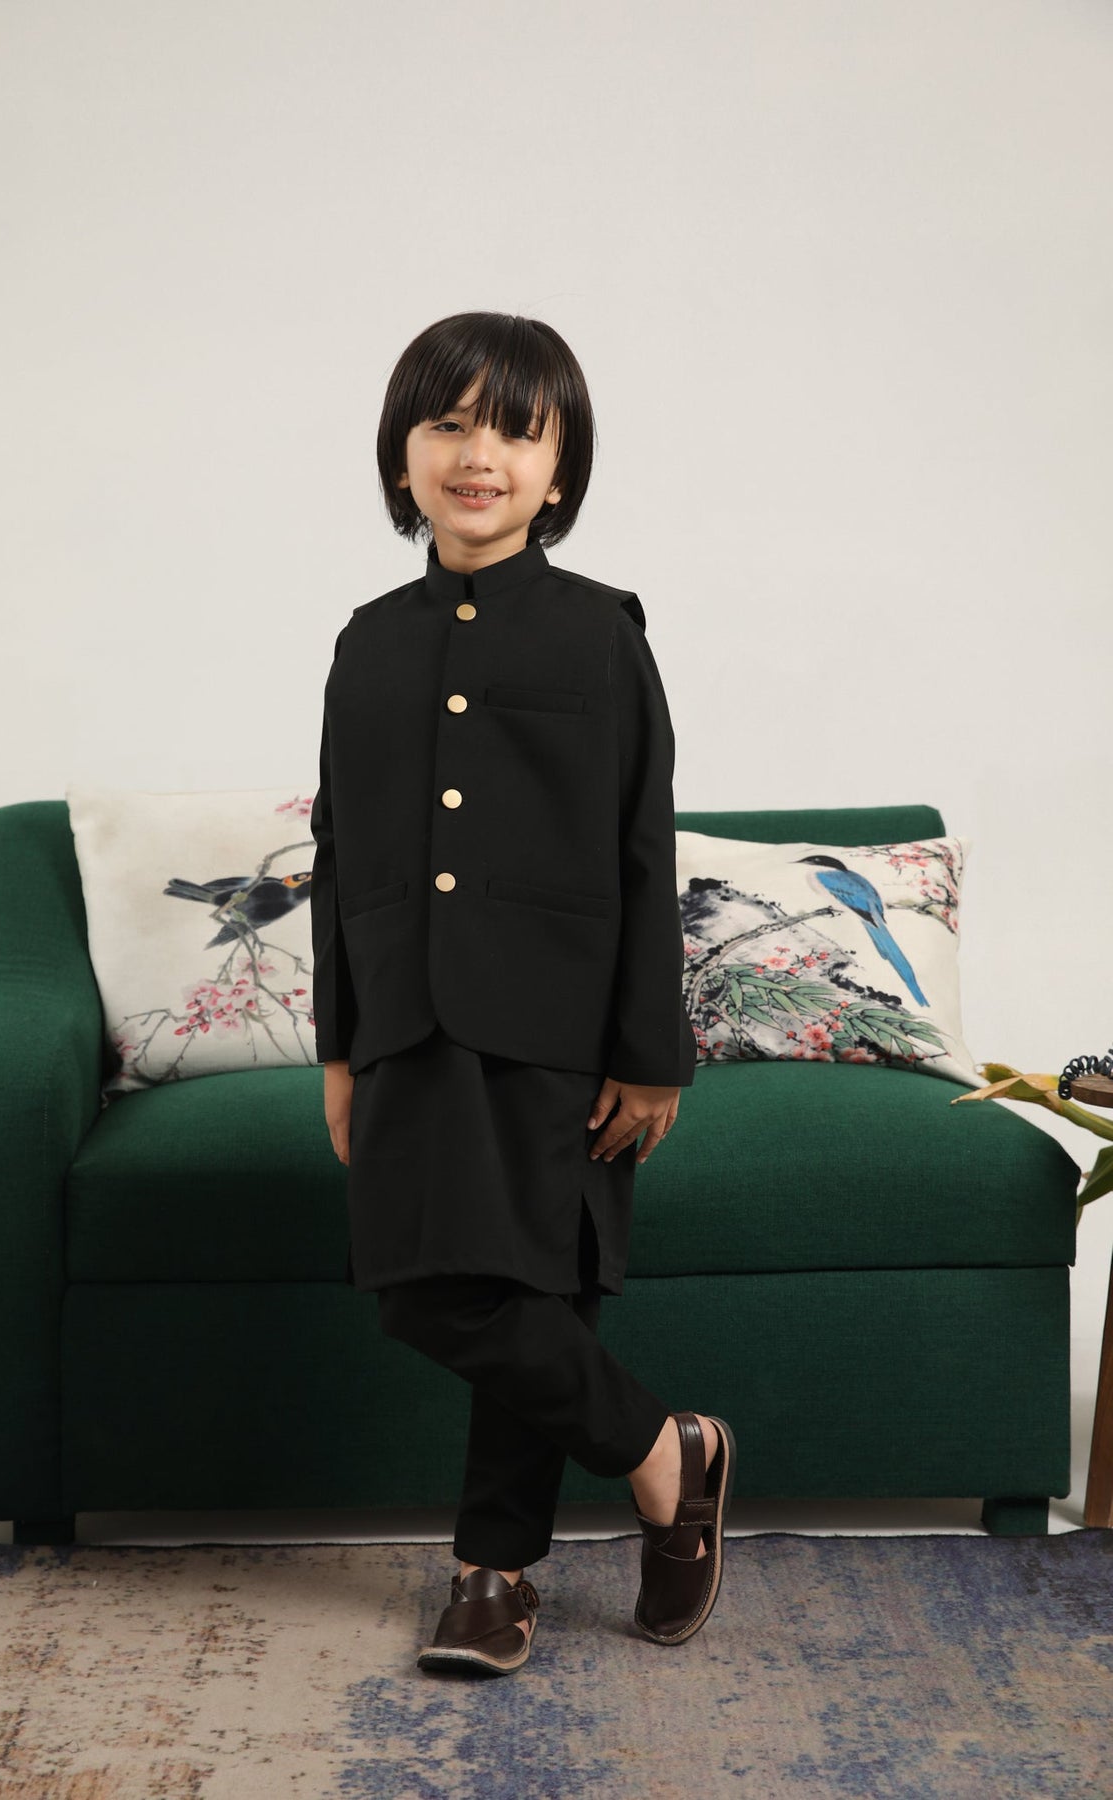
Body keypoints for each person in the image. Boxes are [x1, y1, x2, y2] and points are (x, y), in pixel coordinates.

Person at [308, 310, 735, 1677]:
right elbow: (341, 854)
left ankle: (491, 1578)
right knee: (424, 1292)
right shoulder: (367, 643)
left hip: (560, 1031)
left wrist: (652, 1050)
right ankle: (670, 1455)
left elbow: (642, 847)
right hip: (405, 1022)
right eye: (446, 425)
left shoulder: (602, 633)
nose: (475, 455)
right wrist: (340, 1049)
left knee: (534, 1283)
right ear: (402, 459)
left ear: (559, 471)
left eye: (513, 430)